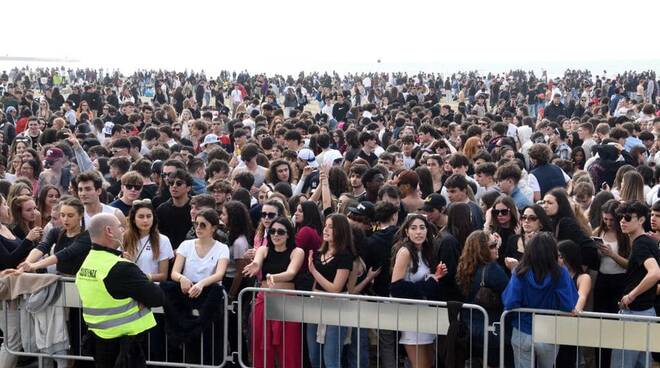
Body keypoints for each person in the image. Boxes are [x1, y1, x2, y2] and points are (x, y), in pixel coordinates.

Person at [75, 213, 164, 368]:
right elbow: (157, 298)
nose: (124, 230)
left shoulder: (88, 262)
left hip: (99, 340)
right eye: (120, 226)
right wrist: (134, 271)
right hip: (124, 345)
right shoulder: (120, 267)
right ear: (109, 231)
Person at [502, 232, 578, 368]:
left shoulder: (520, 271)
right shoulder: (561, 272)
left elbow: (510, 301)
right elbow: (568, 304)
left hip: (522, 328)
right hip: (548, 330)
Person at [242, 217, 304, 368]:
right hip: (264, 300)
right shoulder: (264, 249)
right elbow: (257, 262)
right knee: (260, 344)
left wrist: (272, 276)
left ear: (288, 234)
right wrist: (255, 264)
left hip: (288, 303)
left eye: (280, 231)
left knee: (289, 346)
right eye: (272, 231)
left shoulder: (297, 251)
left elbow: (291, 273)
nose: (275, 235)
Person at [390, 214, 445, 368]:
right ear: (407, 231)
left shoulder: (424, 251)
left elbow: (419, 279)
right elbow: (396, 288)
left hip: (423, 313)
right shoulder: (405, 252)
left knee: (428, 363)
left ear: (427, 230)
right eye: (413, 228)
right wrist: (429, 284)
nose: (418, 232)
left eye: (422, 227)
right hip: (410, 316)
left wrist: (436, 276)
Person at [611, 201, 660, 368]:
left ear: (641, 220)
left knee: (622, 363)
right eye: (620, 217)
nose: (622, 221)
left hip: (636, 314)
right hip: (645, 312)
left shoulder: (641, 244)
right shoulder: (647, 242)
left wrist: (631, 295)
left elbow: (654, 273)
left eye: (627, 217)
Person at [307, 214, 354, 368]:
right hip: (316, 306)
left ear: (340, 230)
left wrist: (314, 271)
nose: (325, 229)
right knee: (314, 357)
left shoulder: (345, 256)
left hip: (336, 309)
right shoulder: (319, 253)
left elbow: (335, 288)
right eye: (325, 225)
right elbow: (315, 285)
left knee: (331, 359)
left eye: (330, 226)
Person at [456, 230, 508, 367]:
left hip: (470, 329)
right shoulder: (493, 270)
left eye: (496, 244)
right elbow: (509, 295)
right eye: (492, 246)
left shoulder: (465, 268)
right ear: (481, 250)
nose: (496, 248)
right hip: (491, 331)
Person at [20, 197, 90, 276]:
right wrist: (26, 264)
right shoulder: (56, 231)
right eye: (62, 215)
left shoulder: (86, 236)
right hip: (60, 278)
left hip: (78, 280)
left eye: (70, 216)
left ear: (80, 215)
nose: (65, 219)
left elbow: (66, 253)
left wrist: (34, 265)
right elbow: (42, 246)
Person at [555, 240, 592, 367]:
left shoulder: (583, 277)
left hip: (570, 325)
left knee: (568, 360)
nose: (557, 259)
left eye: (560, 256)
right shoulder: (554, 274)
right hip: (554, 325)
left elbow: (582, 296)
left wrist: (575, 310)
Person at [123, 199, 174, 282]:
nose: (145, 220)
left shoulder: (163, 240)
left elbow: (163, 275)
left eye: (149, 216)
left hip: (151, 288)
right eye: (141, 217)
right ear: (133, 219)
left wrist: (142, 277)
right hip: (128, 287)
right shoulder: (123, 238)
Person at [156, 168, 193, 249]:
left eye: (179, 183)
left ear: (188, 188)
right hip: (167, 253)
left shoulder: (195, 208)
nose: (174, 186)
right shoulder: (162, 209)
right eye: (171, 183)